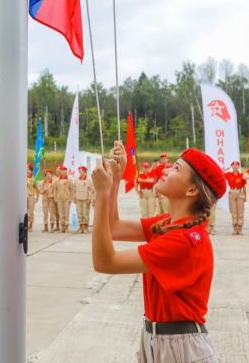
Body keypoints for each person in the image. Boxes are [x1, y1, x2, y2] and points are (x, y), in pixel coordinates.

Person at [91, 142, 224, 363]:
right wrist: (116, 177)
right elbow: (114, 227)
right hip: (158, 339)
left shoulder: (182, 239)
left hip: (180, 346)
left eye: (176, 169)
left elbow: (105, 262)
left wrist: (102, 194)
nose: (165, 170)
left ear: (191, 190)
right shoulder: (169, 224)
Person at [225, 161, 247, 235]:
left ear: (238, 166)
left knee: (240, 211)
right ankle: (235, 228)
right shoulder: (228, 174)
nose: (235, 166)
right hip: (232, 191)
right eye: (233, 165)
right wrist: (225, 169)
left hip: (239, 192)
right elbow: (220, 174)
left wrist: (245, 196)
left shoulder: (241, 175)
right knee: (233, 211)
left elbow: (244, 186)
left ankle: (240, 228)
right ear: (231, 166)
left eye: (236, 165)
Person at [73, 165, 94, 233]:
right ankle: (81, 226)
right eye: (79, 171)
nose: (80, 172)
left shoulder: (88, 180)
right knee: (79, 212)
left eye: (81, 171)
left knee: (85, 213)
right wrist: (74, 197)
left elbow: (91, 190)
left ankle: (85, 226)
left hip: (85, 199)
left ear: (85, 172)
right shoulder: (76, 180)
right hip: (78, 198)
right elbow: (74, 189)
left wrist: (89, 198)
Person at [54, 165, 74, 232]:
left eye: (64, 171)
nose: (63, 172)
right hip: (59, 199)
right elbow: (55, 190)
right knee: (61, 214)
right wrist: (55, 198)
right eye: (62, 171)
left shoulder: (69, 180)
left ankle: (66, 227)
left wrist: (70, 198)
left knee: (66, 213)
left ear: (66, 172)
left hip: (66, 199)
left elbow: (72, 190)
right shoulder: (57, 180)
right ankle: (62, 226)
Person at [27, 164, 39, 232]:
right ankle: (26, 224)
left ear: (31, 171)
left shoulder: (34, 179)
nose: (28, 171)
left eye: (29, 170)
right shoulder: (22, 178)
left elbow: (37, 189)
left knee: (31, 212)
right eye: (27, 169)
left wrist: (37, 196)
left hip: (31, 196)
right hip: (24, 196)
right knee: (25, 212)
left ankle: (31, 225)